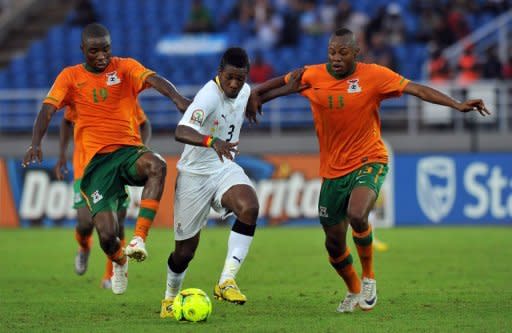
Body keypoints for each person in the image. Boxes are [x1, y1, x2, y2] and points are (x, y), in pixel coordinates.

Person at [249, 28, 489, 313]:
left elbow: (418, 89)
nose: (336, 58)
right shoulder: (312, 75)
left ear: (356, 53)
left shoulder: (375, 75)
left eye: (343, 53)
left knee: (357, 213)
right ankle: (353, 290)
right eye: (332, 52)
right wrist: (254, 95)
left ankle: (369, 278)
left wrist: (457, 104)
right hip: (333, 171)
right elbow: (278, 85)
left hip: (369, 160)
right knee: (334, 246)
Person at [22, 23, 190, 295]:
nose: (102, 56)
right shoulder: (70, 77)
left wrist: (178, 98)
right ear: (82, 51)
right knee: (106, 235)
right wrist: (35, 143)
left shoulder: (124, 68)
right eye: (94, 51)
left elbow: (154, 78)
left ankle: (138, 239)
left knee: (157, 165)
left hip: (126, 151)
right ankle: (118, 261)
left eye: (106, 49)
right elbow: (48, 110)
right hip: (94, 166)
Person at [160, 47, 260, 318]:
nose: (234, 84)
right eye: (229, 78)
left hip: (224, 168)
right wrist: (211, 141)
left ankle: (226, 280)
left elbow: (256, 93)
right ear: (220, 73)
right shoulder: (208, 95)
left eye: (240, 79)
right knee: (184, 252)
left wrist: (281, 87)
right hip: (194, 176)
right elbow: (180, 131)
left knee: (249, 207)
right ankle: (169, 298)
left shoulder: (245, 90)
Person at [54, 101, 151, 289]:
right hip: (85, 171)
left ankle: (111, 275)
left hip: (117, 170)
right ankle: (84, 246)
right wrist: (62, 154)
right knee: (85, 223)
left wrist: (141, 148)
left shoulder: (123, 96)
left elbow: (144, 123)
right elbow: (66, 121)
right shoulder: (81, 95)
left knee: (116, 226)